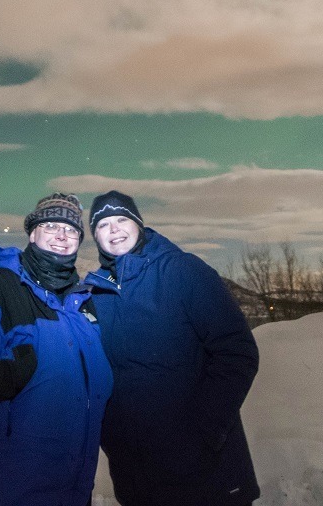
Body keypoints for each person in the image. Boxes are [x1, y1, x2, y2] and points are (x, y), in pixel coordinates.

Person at [0, 193, 113, 506]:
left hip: (73, 491)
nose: (61, 235)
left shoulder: (85, 304)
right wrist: (20, 363)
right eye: (51, 225)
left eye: (71, 230)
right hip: (4, 490)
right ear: (32, 233)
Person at [85, 190, 261, 506]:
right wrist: (112, 436)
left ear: (139, 224)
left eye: (122, 219)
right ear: (94, 236)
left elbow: (236, 352)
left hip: (205, 473)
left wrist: (204, 431)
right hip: (137, 476)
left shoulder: (182, 271)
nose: (114, 230)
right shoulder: (96, 294)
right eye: (103, 224)